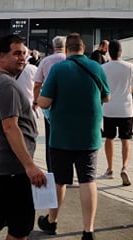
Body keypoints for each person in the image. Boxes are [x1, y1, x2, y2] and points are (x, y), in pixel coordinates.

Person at [36, 33, 110, 240]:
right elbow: (107, 96)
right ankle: (88, 231)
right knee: (88, 180)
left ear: (66, 50)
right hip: (89, 134)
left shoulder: (58, 69)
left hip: (61, 136)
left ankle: (51, 222)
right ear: (83, 48)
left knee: (60, 181)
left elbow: (44, 102)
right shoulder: (96, 67)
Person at [0, 34, 47, 240]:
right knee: (19, 228)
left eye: (24, 53)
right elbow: (10, 127)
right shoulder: (7, 85)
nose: (22, 58)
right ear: (1, 57)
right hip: (10, 170)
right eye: (16, 53)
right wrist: (29, 165)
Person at [101, 39, 133, 186]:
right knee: (126, 140)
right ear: (121, 51)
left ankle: (110, 169)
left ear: (109, 52)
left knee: (109, 139)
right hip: (125, 109)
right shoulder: (129, 66)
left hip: (109, 108)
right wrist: (128, 91)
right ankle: (124, 167)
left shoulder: (103, 67)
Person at [33, 35, 67, 173]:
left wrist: (36, 101)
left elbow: (37, 84)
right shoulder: (69, 60)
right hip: (68, 104)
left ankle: (51, 170)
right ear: (65, 47)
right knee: (67, 138)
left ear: (53, 47)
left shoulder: (45, 61)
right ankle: (66, 169)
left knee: (50, 139)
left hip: (49, 105)